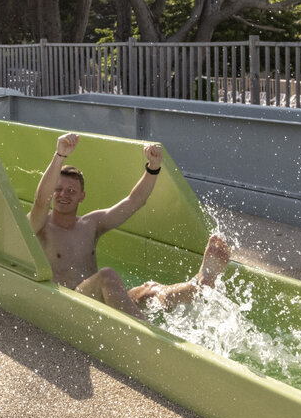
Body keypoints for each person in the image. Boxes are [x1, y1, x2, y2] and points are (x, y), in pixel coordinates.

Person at [29, 133, 230, 319]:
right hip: (70, 303)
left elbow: (134, 202)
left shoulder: (90, 224)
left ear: (82, 196)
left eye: (71, 190)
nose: (64, 194)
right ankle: (147, 334)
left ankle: (199, 283)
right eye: (59, 189)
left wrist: (153, 167)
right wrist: (60, 154)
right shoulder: (39, 225)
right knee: (107, 276)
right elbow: (40, 201)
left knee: (150, 291)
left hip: (99, 298)